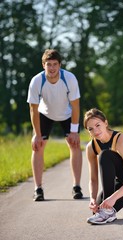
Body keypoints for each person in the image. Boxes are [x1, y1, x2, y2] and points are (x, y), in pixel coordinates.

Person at [27, 49, 83, 201]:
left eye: (55, 65)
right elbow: (33, 109)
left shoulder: (69, 78)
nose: (52, 68)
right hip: (45, 113)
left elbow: (76, 106)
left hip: (67, 113)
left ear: (60, 65)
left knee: (75, 145)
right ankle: (38, 189)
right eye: (48, 64)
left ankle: (76, 186)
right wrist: (37, 135)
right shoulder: (37, 81)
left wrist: (74, 131)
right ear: (43, 65)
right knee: (38, 146)